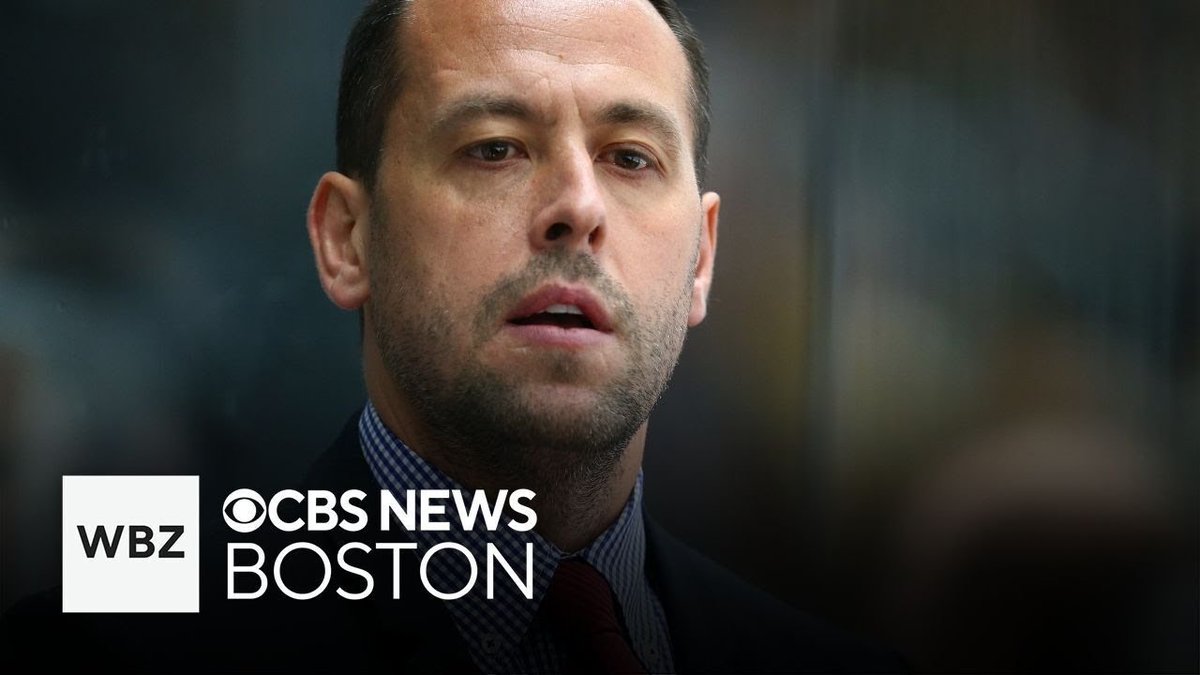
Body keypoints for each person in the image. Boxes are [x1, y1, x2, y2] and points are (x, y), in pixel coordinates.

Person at [2, 1, 904, 672]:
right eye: (494, 147)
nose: (578, 206)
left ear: (701, 258)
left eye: (631, 157)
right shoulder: (116, 641)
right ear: (347, 239)